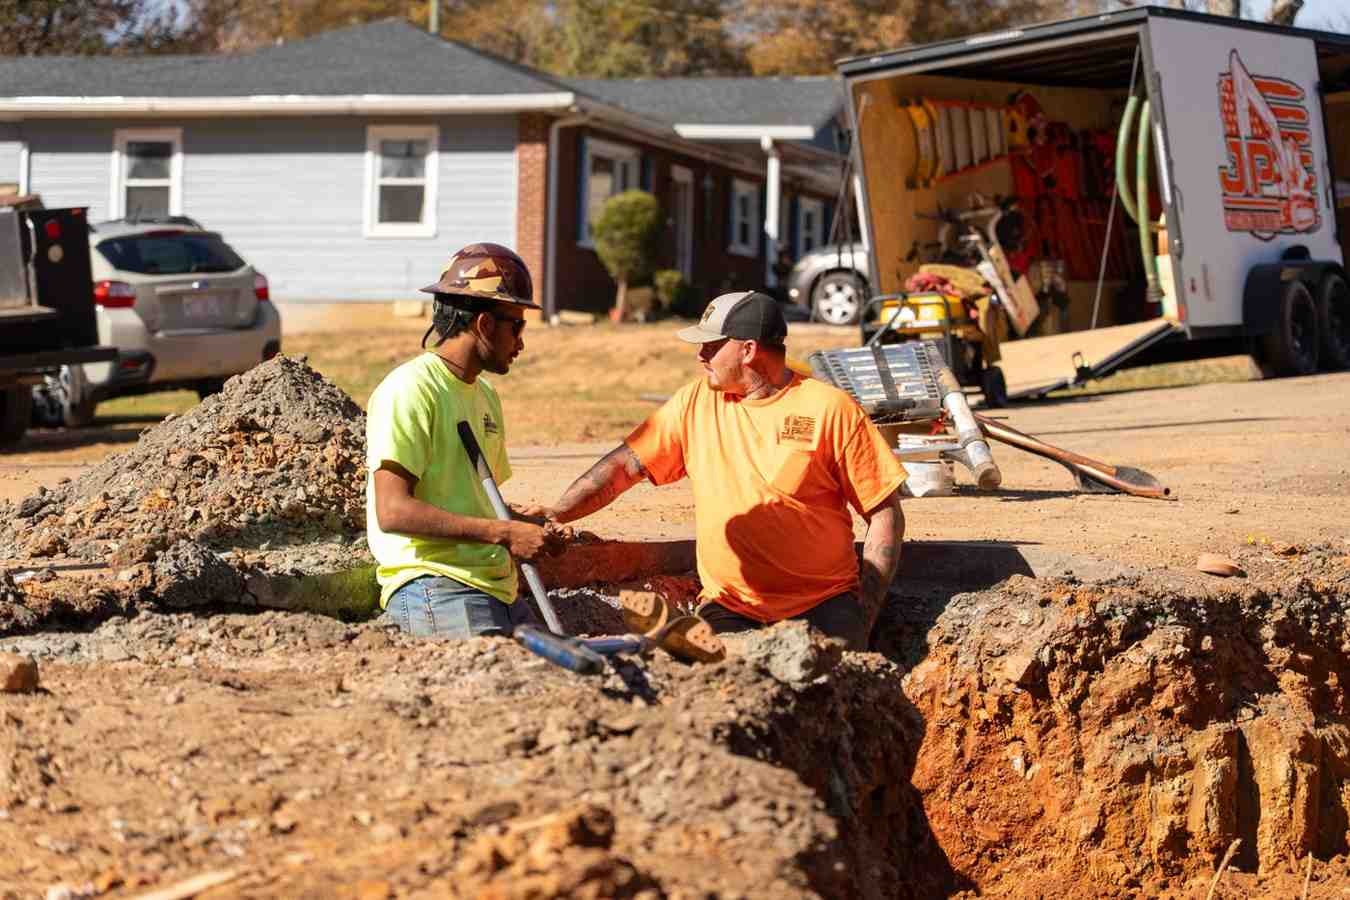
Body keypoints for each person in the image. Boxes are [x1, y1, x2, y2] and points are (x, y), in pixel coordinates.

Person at [546, 290, 907, 650]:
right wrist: (556, 514)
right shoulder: (696, 402)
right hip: (730, 607)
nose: (700, 355)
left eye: (711, 345)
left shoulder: (830, 409)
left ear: (748, 350)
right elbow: (624, 465)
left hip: (824, 604)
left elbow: (884, 513)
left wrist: (865, 612)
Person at [366, 242, 563, 639]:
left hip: (496, 589)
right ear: (485, 324)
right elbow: (393, 511)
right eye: (517, 326)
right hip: (436, 586)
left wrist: (533, 528)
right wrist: (505, 534)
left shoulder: (484, 395)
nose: (521, 342)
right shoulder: (410, 390)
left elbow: (477, 503)